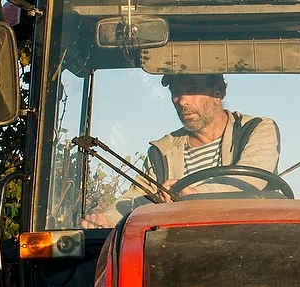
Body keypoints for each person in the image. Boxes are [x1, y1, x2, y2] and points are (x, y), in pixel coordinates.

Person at [83, 72, 281, 225]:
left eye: (192, 89)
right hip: (180, 250)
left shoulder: (256, 129)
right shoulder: (162, 151)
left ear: (218, 92)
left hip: (252, 240)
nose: (182, 101)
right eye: (176, 91)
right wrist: (107, 219)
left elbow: (253, 178)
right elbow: (139, 197)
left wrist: (193, 193)